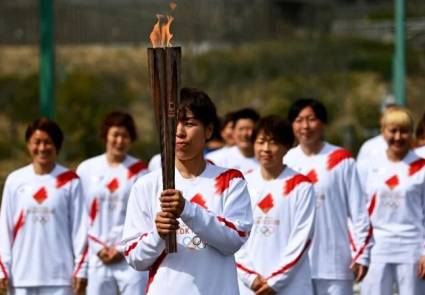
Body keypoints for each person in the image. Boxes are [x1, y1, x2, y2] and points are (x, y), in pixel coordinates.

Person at [121, 87, 253, 294]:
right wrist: (158, 235)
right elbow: (134, 257)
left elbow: (234, 239)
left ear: (209, 131)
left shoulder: (230, 181)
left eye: (190, 124)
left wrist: (187, 209)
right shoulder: (146, 185)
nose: (180, 132)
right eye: (173, 123)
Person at [283, 98, 372, 295]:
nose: (305, 126)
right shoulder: (285, 160)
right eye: (298, 120)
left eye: (311, 119)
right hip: (294, 264)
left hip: (335, 264)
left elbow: (359, 212)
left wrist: (362, 255)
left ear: (323, 123)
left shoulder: (341, 159)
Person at [0, 118, 88, 295]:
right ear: (28, 145)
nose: (41, 148)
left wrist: (82, 268)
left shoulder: (70, 181)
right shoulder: (15, 180)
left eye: (47, 142)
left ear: (56, 145)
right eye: (36, 142)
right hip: (21, 278)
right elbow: (5, 228)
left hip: (60, 279)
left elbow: (81, 229)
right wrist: (3, 268)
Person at [236, 115, 315, 295]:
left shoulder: (301, 186)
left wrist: (275, 281)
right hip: (249, 286)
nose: (266, 149)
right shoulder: (242, 183)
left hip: (291, 286)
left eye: (273, 143)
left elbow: (302, 239)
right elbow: (234, 235)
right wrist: (251, 278)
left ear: (287, 146)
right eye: (261, 142)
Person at [76, 111, 148, 295]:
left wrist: (121, 248)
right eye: (115, 135)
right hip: (97, 255)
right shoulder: (86, 169)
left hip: (129, 256)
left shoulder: (141, 171)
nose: (119, 141)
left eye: (125, 136)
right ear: (105, 135)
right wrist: (98, 248)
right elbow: (80, 215)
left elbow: (145, 215)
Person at [360, 106, 425, 295]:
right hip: (377, 246)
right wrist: (360, 250)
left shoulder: (421, 167)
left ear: (411, 133)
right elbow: (359, 209)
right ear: (383, 132)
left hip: (411, 247)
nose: (398, 137)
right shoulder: (370, 165)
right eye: (392, 131)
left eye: (404, 131)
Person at [206, 108, 260, 174]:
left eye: (249, 129)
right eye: (241, 129)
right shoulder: (215, 160)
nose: (245, 134)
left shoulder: (268, 159)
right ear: (233, 132)